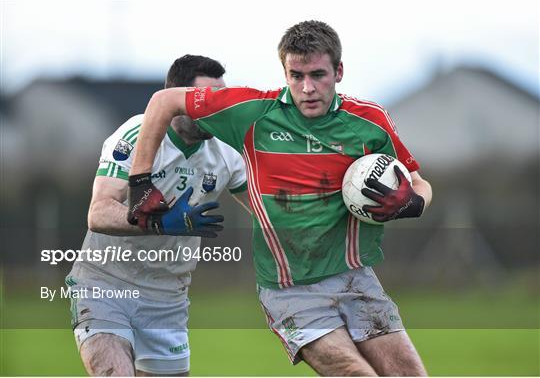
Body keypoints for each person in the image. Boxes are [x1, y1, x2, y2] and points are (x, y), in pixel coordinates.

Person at [128, 21, 433, 376]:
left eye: (318, 74)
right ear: (284, 73)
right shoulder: (252, 112)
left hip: (355, 278)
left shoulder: (369, 121)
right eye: (296, 75)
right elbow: (163, 100)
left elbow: (418, 182)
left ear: (339, 71)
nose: (307, 88)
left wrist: (413, 203)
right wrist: (140, 181)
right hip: (289, 290)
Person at [66, 54, 248, 376]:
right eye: (204, 100)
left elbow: (269, 211)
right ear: (176, 101)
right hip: (107, 285)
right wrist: (158, 222)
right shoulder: (136, 134)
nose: (216, 109)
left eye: (220, 99)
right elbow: (99, 212)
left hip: (168, 298)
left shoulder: (228, 154)